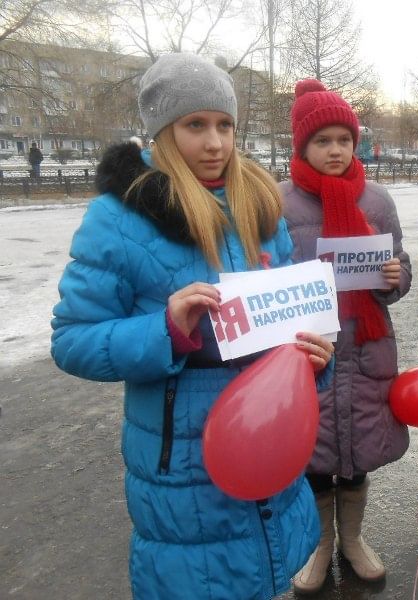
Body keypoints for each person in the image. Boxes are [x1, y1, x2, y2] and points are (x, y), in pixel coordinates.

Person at [50, 53, 336, 600]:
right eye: (195, 125)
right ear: (161, 130)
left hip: (271, 448)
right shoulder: (120, 218)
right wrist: (165, 329)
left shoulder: (260, 205)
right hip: (185, 468)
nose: (215, 144)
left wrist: (315, 359)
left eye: (225, 125)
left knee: (271, 577)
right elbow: (71, 341)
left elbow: (289, 323)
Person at [279, 79, 412, 594]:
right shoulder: (280, 202)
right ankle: (320, 548)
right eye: (322, 141)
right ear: (303, 147)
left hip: (366, 346)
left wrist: (397, 276)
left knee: (355, 452)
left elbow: (395, 265)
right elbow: (263, 272)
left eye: (344, 140)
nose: (335, 150)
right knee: (313, 454)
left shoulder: (376, 200)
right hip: (307, 352)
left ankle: (353, 541)